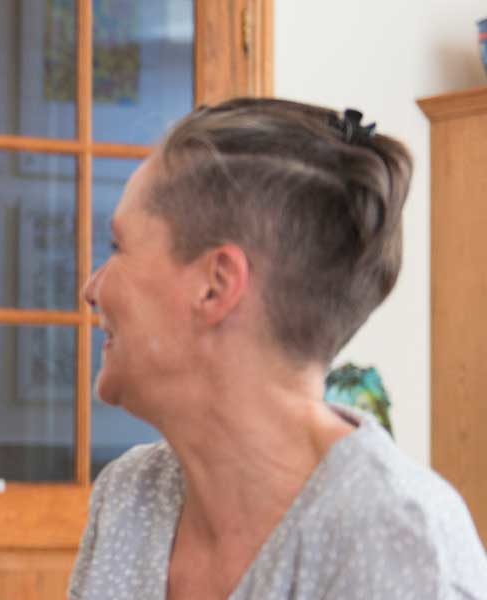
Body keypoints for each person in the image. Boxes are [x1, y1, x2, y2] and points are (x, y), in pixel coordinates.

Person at [69, 98, 487, 599]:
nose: (92, 288)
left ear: (215, 285)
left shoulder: (401, 544)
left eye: (119, 248)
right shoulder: (129, 497)